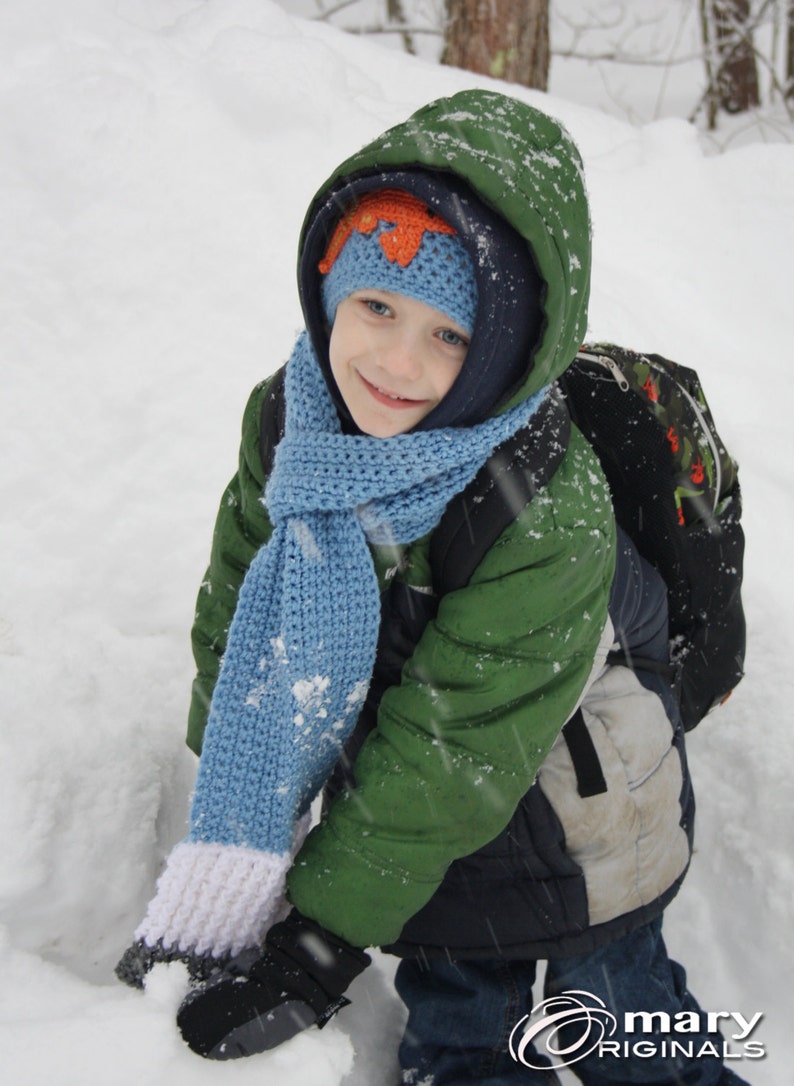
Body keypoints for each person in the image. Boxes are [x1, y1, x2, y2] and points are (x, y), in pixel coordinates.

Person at [116, 89, 751, 1085]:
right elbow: (245, 618)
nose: (396, 364)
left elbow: (456, 746)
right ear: (327, 290)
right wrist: (234, 851)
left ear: (507, 346)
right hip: (422, 831)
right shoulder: (294, 420)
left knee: (620, 1041)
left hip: (570, 836)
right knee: (464, 1044)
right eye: (375, 307)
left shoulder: (539, 504)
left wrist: (320, 942)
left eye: (449, 335)